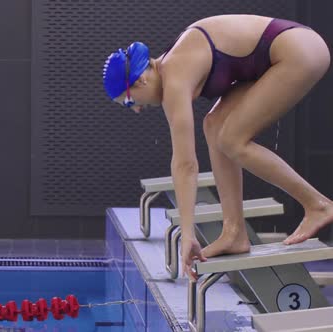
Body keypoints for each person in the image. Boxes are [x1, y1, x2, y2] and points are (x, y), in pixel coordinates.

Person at [102, 14, 332, 280]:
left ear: (140, 80)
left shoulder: (174, 77)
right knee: (214, 125)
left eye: (130, 103)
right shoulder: (173, 67)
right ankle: (234, 231)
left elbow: (185, 164)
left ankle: (318, 205)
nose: (138, 110)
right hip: (279, 54)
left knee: (233, 139)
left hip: (299, 51)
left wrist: (187, 235)